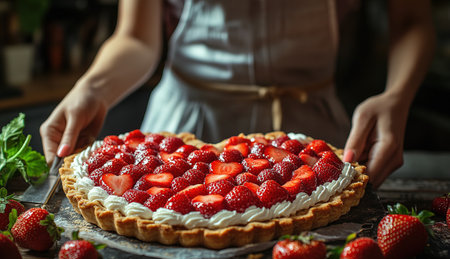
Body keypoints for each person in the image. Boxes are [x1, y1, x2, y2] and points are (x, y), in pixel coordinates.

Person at [40, 0, 435, 188]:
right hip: (181, 143)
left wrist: (397, 95)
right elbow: (137, 38)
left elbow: (413, 19)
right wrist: (91, 87)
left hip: (311, 140)